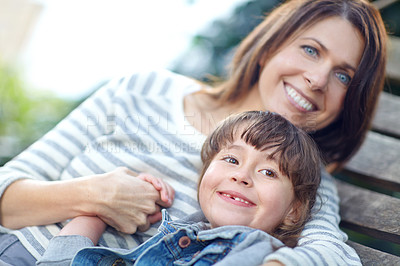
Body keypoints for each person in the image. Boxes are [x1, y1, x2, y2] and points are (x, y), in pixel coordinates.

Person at [0, 0, 387, 265]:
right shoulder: (144, 88)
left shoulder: (304, 180)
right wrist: (96, 195)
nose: (318, 79)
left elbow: (331, 255)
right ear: (271, 46)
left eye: (343, 76)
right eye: (310, 50)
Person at [36, 111, 322, 265]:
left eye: (268, 172)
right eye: (232, 159)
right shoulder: (177, 233)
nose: (242, 176)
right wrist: (101, 210)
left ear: (293, 212)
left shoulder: (257, 251)